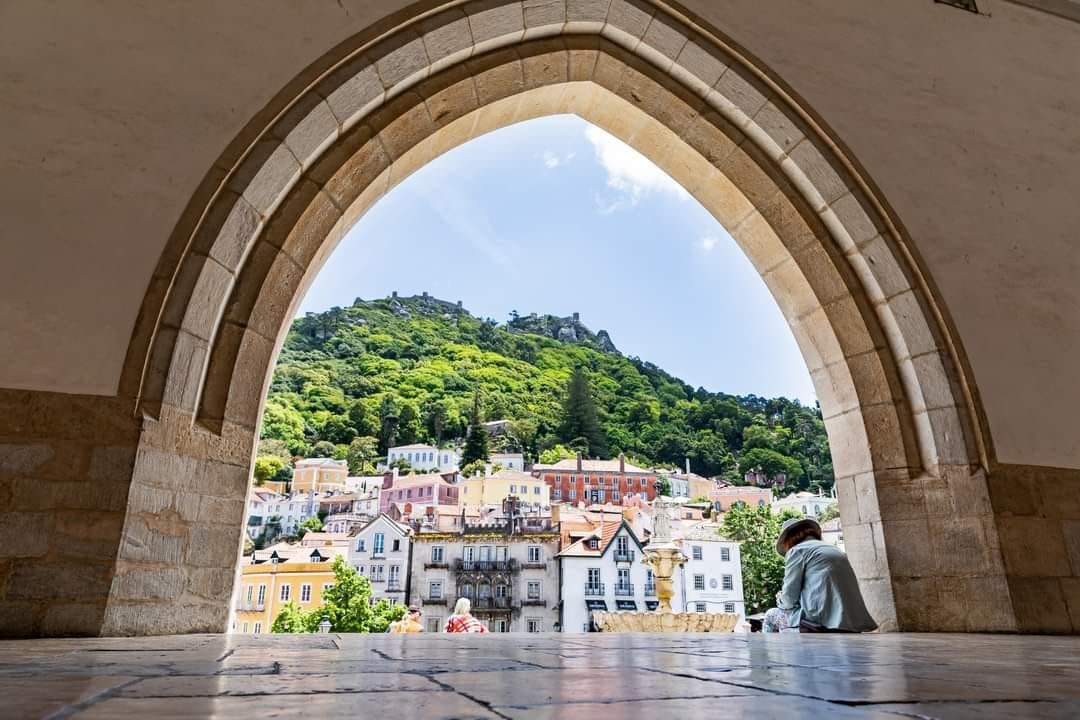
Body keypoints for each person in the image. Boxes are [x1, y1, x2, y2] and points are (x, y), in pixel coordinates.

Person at [763, 517, 877, 633]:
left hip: (820, 621)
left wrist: (780, 599)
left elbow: (789, 599)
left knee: (770, 616)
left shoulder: (797, 551)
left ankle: (771, 651)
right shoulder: (835, 549)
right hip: (850, 621)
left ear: (788, 539)